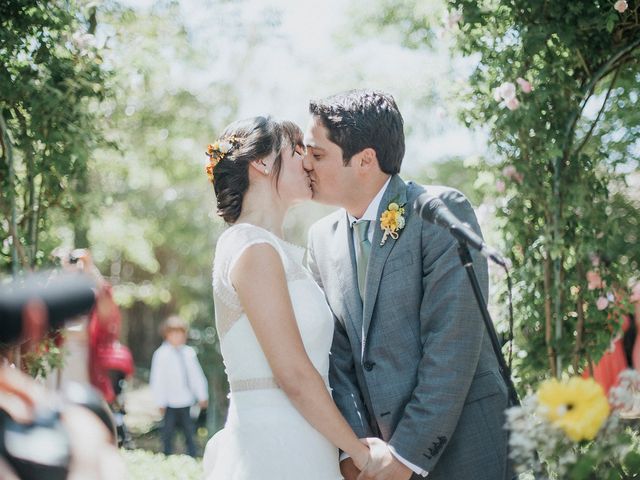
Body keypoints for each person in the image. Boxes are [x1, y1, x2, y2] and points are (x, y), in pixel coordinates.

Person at [304, 90, 511, 480]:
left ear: (365, 159)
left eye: (317, 155)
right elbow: (338, 357)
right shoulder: (320, 238)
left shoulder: (437, 211)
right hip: (374, 463)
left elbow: (452, 345)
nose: (305, 165)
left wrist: (407, 456)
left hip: (464, 449)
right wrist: (358, 450)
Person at [202, 117, 379, 479]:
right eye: (297, 150)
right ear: (263, 162)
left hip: (306, 441)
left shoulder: (273, 249)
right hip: (275, 448)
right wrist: (362, 454)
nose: (308, 161)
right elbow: (294, 374)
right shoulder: (253, 248)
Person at [150, 315, 208, 457]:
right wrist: (160, 401)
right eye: (173, 333)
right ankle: (167, 455)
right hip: (169, 402)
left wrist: (202, 395)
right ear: (167, 335)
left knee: (189, 430)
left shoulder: (188, 353)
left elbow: (196, 376)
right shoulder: (161, 354)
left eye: (180, 334)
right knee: (167, 432)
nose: (177, 337)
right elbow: (158, 380)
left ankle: (192, 454)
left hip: (186, 400)